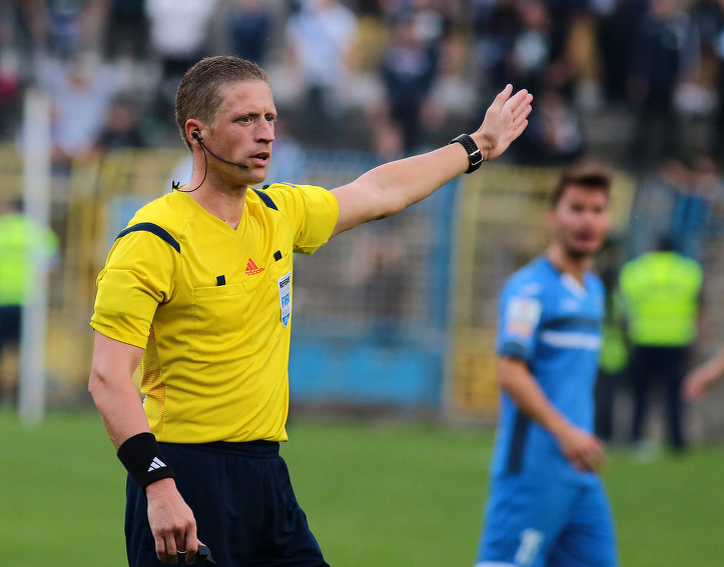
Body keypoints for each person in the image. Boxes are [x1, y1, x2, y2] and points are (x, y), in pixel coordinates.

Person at [88, 55, 532, 567]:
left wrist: (477, 146)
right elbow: (107, 377)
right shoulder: (153, 239)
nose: (266, 134)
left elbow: (378, 191)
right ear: (198, 133)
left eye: (271, 118)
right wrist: (158, 485)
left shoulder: (278, 213)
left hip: (266, 475)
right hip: (186, 475)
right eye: (245, 120)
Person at [475, 161, 618, 567]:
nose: (587, 221)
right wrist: (565, 432)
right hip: (533, 471)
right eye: (576, 208)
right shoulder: (530, 289)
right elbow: (510, 371)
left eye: (597, 210)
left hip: (580, 476)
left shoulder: (592, 289)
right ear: (553, 216)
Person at [619, 235, 703, 453]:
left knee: (641, 394)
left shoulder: (635, 270)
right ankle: (676, 441)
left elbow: (625, 309)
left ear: (654, 248)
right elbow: (698, 307)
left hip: (642, 339)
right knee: (674, 394)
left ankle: (636, 438)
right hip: (677, 340)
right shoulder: (689, 271)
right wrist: (696, 339)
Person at [0, 200, 59, 410]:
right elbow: (51, 267)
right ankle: (23, 398)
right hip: (29, 303)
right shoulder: (37, 232)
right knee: (27, 352)